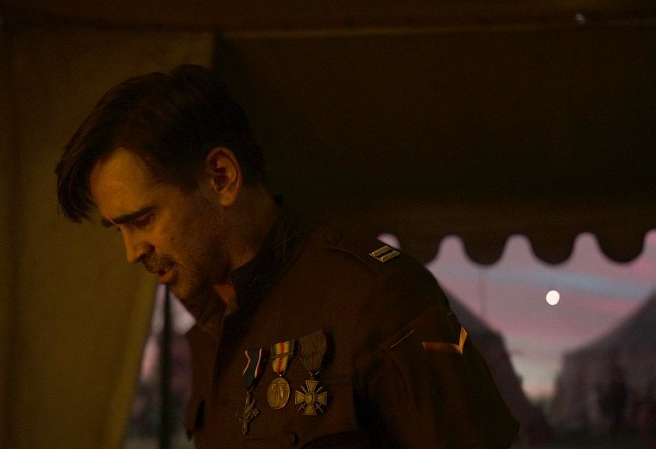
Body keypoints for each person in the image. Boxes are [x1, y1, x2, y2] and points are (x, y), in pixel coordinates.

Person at [55, 64, 519, 448]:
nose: (132, 252)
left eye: (142, 219)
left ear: (221, 177)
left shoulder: (376, 298)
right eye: (118, 229)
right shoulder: (208, 333)